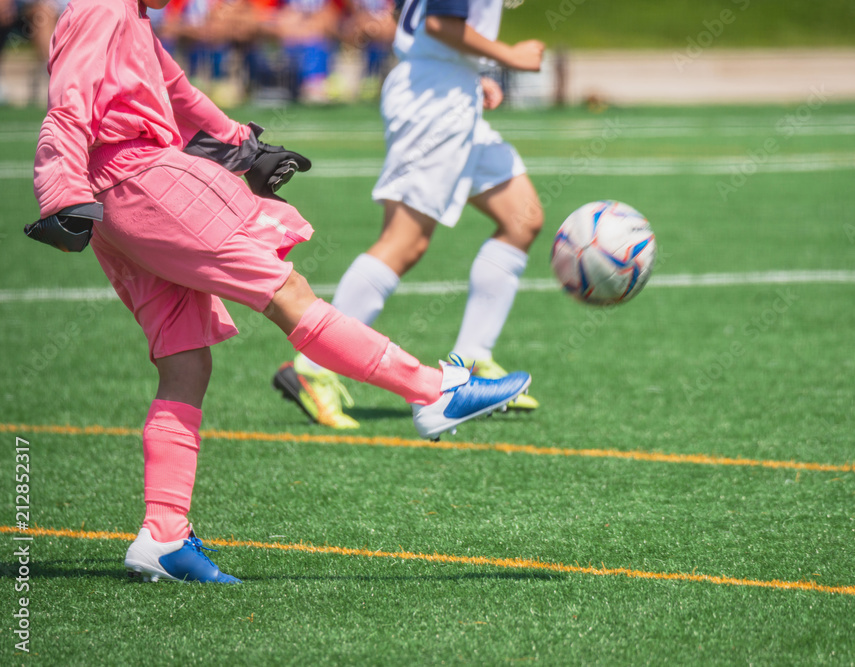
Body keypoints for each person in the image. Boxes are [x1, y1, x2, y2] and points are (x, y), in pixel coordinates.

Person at [28, 0, 530, 583]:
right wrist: (59, 191)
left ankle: (163, 535)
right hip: (138, 180)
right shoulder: (102, 6)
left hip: (118, 194)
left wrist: (241, 144)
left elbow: (179, 90)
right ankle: (433, 391)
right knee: (287, 291)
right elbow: (68, 103)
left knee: (184, 362)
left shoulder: (131, 13)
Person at [273, 0, 545, 429]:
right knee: (404, 241)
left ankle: (472, 361)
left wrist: (465, 71)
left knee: (522, 218)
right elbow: (437, 21)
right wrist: (508, 56)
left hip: (447, 89)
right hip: (433, 104)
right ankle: (313, 367)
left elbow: (416, 14)